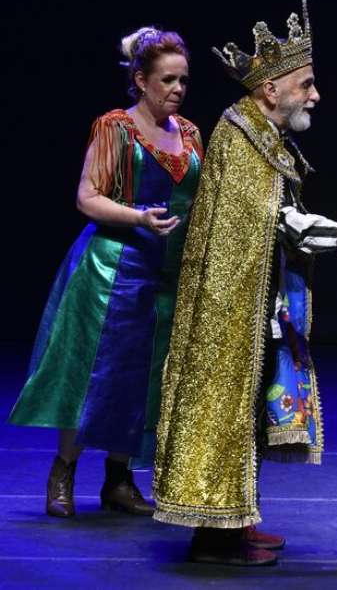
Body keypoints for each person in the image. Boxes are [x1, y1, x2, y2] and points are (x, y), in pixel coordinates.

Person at [152, 0, 337, 566]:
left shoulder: (262, 137)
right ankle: (214, 535)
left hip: (255, 300)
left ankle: (237, 519)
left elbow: (277, 223)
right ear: (271, 90)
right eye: (306, 84)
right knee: (227, 410)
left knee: (252, 411)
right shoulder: (240, 138)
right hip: (228, 308)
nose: (315, 96)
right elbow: (275, 222)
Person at [9, 28, 203, 518]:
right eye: (167, 80)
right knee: (92, 374)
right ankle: (64, 472)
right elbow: (87, 197)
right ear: (141, 80)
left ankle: (119, 481)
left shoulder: (192, 135)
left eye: (183, 80)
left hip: (167, 274)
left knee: (147, 378)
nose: (178, 89)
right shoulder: (115, 128)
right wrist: (139, 217)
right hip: (112, 270)